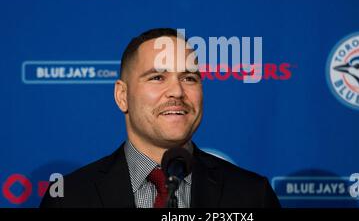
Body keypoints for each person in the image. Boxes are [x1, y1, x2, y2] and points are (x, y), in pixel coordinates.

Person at [40, 28, 280, 208]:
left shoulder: (252, 195)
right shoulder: (68, 198)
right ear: (122, 96)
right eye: (157, 78)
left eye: (189, 78)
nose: (177, 91)